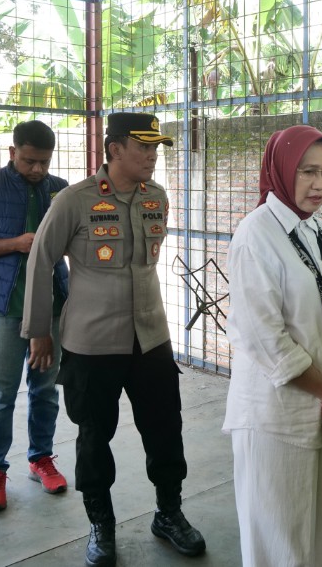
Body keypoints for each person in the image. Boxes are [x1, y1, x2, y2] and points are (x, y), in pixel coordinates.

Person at [21, 112, 205, 567]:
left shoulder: (156, 197)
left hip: (151, 337)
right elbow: (41, 259)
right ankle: (101, 524)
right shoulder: (75, 200)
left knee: (165, 429)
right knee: (93, 436)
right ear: (115, 149)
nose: (152, 155)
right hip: (92, 342)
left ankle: (169, 513)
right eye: (143, 146)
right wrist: (40, 331)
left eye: (156, 147)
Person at [223, 125, 322, 567]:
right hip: (276, 417)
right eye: (307, 171)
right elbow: (264, 338)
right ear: (282, 169)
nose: (320, 184)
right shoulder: (255, 236)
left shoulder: (320, 230)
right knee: (280, 545)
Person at [0, 120, 70, 511]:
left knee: (46, 389)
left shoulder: (61, 189)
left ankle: (41, 458)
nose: (37, 169)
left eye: (44, 162)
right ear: (13, 153)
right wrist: (16, 244)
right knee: (0, 394)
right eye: (29, 161)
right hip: (3, 306)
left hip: (53, 304)